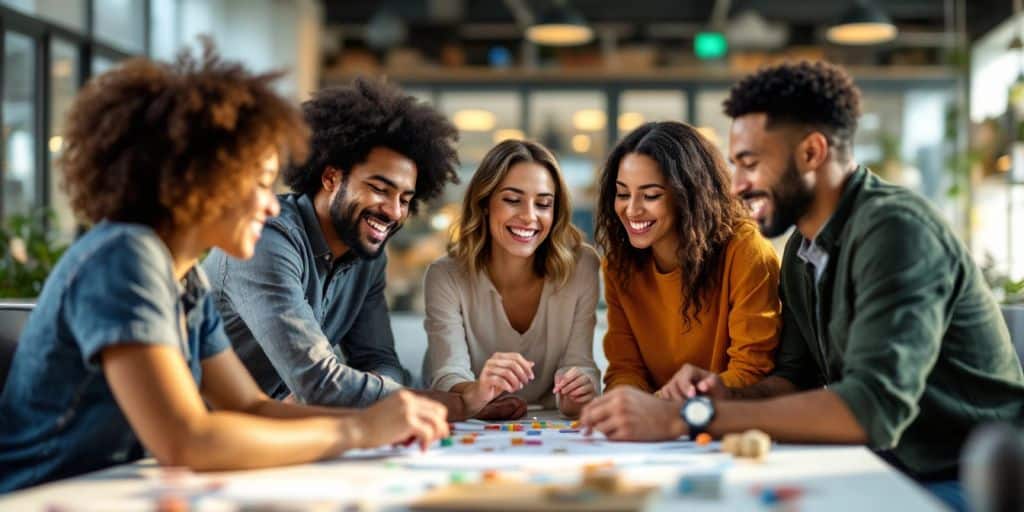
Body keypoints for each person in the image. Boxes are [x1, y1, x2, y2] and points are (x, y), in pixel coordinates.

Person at [579, 61, 1024, 511]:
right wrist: (722, 392)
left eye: (751, 163)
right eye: (735, 165)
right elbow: (792, 382)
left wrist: (686, 416)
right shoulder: (803, 250)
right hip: (877, 466)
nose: (735, 187)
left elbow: (872, 409)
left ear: (812, 152)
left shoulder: (895, 231)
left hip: (966, 478)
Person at [0, 46, 448, 493]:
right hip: (41, 495)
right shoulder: (124, 257)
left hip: (116, 490)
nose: (271, 203)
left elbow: (250, 407)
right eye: (257, 182)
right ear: (197, 178)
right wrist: (360, 431)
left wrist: (381, 421)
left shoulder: (186, 279)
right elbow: (187, 439)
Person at [202, 77, 460, 408]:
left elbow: (377, 357)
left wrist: (383, 391)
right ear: (331, 178)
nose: (394, 211)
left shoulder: (368, 257)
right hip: (193, 439)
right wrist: (444, 402)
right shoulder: (266, 238)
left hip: (273, 427)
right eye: (380, 189)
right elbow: (318, 382)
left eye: (405, 198)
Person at [594, 121, 781, 395]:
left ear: (689, 195)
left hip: (726, 422)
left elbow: (752, 372)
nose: (632, 209)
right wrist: (629, 399)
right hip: (655, 427)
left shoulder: (746, 251)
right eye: (622, 194)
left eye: (651, 195)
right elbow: (624, 370)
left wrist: (668, 402)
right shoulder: (619, 266)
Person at [423, 140, 600, 419]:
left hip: (548, 422)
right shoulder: (445, 275)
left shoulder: (582, 266)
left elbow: (580, 364)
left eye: (543, 204)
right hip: (470, 421)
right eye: (512, 200)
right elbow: (447, 375)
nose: (529, 217)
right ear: (484, 204)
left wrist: (577, 393)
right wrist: (479, 389)